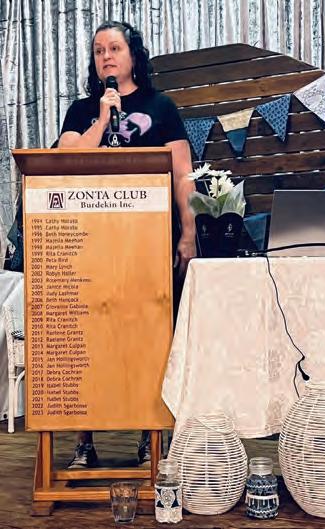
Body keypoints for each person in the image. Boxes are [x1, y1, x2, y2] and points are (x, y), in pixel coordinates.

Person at [58, 20, 196, 469]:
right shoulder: (82, 110)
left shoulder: (161, 106)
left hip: (148, 243)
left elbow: (183, 175)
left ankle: (148, 436)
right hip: (89, 243)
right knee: (89, 338)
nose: (106, 57)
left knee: (149, 336)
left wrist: (188, 232)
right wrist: (103, 119)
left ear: (133, 55)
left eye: (115, 48)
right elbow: (65, 161)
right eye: (99, 50)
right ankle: (84, 440)